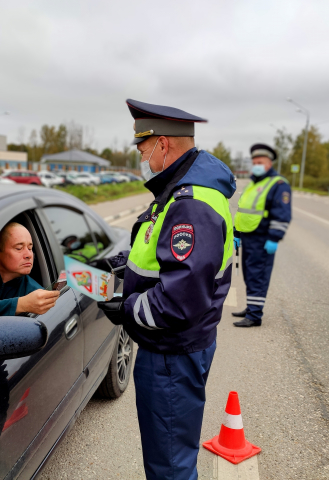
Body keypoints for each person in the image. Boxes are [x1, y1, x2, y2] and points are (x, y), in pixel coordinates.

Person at [96, 99, 236, 480]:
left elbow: (178, 302)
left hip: (172, 354)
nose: (142, 156)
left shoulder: (191, 203)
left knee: (170, 467)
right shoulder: (179, 191)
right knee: (169, 459)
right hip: (174, 349)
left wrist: (126, 308)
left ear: (163, 144)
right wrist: (120, 265)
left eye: (143, 148)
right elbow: (162, 256)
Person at [232, 143, 292, 327]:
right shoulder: (253, 184)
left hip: (263, 239)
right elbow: (243, 210)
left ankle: (254, 315)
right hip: (249, 237)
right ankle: (251, 308)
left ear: (269, 164)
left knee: (258, 276)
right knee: (249, 275)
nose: (257, 165)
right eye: (254, 162)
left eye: (261, 162)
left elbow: (281, 214)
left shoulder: (278, 184)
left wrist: (274, 238)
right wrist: (237, 233)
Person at [0, 222, 59, 322]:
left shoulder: (35, 296)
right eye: (19, 248)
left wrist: (22, 305)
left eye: (30, 248)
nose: (29, 255)